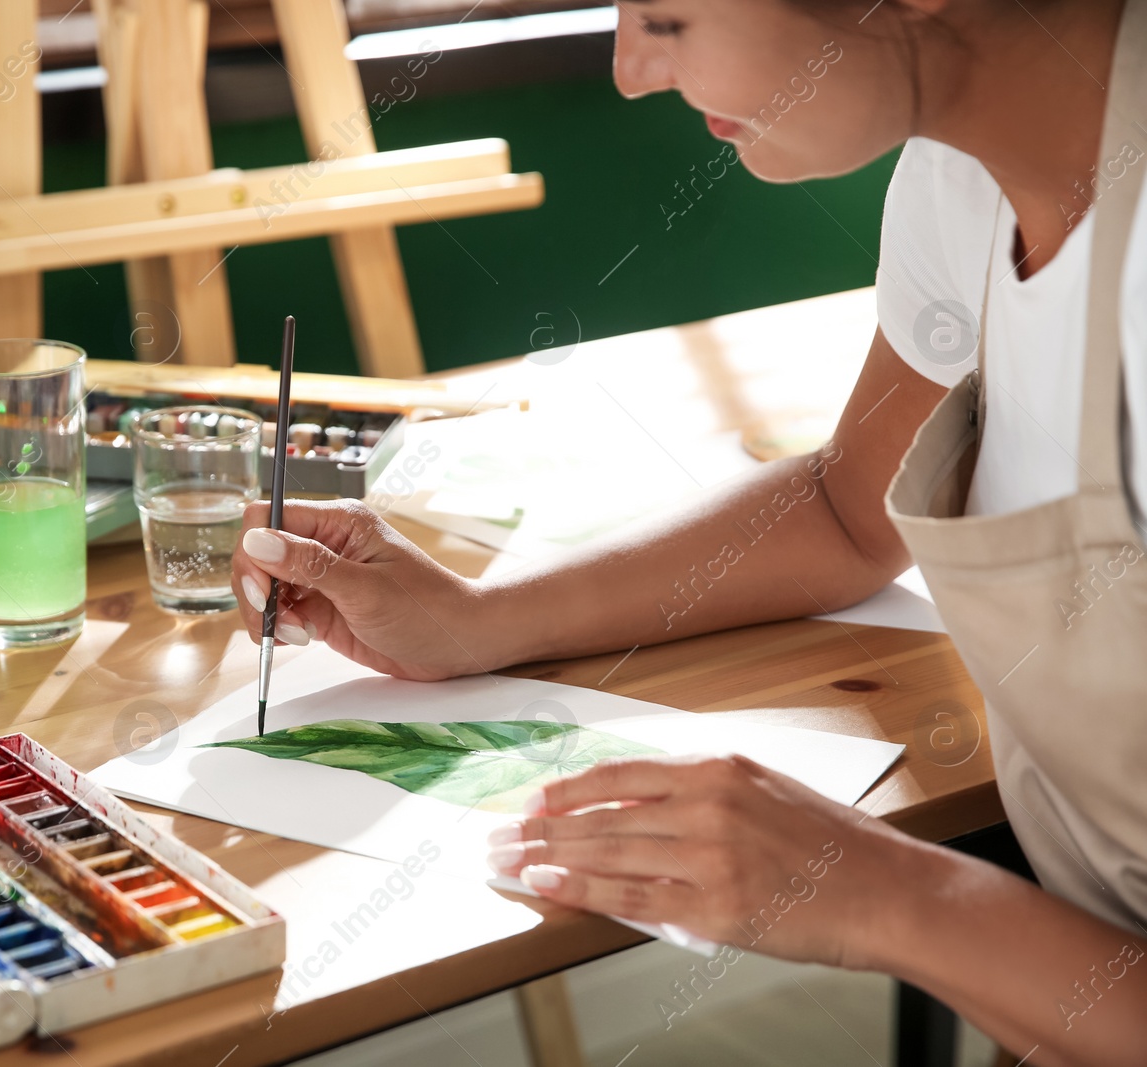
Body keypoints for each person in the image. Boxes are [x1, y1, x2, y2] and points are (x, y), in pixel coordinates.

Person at [228, 1, 1147, 1061]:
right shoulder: (962, 184)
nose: (627, 73)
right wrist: (479, 618)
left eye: (665, 15)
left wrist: (889, 893)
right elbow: (849, 504)